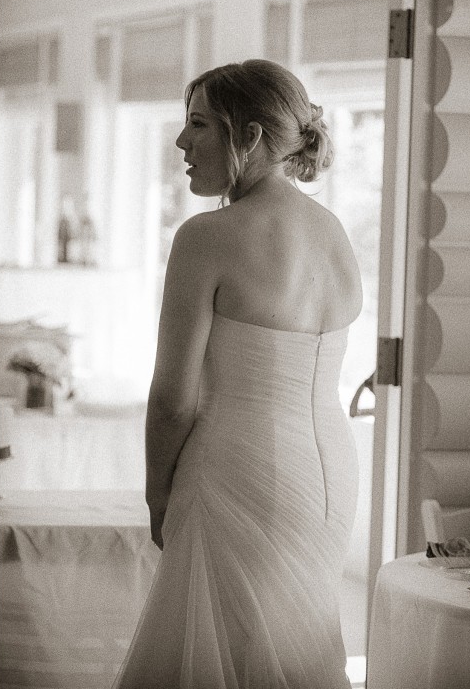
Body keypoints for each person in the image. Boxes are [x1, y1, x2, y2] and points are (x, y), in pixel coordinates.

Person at [114, 59, 362, 688]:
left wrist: (158, 493)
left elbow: (173, 398)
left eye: (197, 124)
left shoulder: (208, 236)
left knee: (226, 646)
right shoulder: (334, 233)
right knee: (288, 641)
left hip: (238, 467)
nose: (181, 142)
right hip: (329, 472)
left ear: (248, 136)